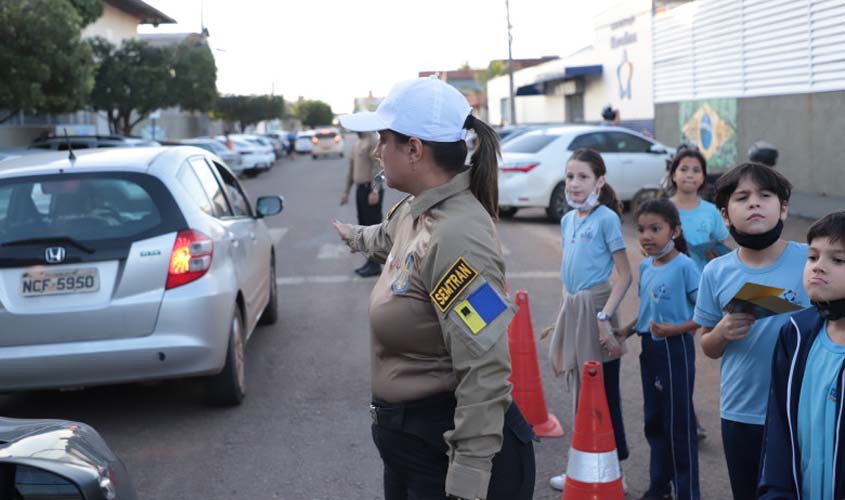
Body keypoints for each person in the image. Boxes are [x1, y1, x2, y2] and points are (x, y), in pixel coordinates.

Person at [332, 76, 535, 500]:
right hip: (413, 451)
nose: (376, 150)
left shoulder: (458, 236)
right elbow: (389, 239)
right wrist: (353, 236)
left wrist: (468, 480)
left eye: (383, 139)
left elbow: (485, 366)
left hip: (443, 458)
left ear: (414, 149)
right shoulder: (418, 210)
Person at [694, 163, 810, 500]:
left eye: (765, 195)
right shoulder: (716, 271)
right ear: (725, 215)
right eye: (742, 197)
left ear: (783, 207)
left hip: (801, 410)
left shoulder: (811, 261)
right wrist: (721, 331)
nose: (754, 203)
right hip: (741, 412)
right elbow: (708, 346)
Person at [546, 148, 633, 491]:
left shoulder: (606, 219)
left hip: (598, 309)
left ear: (600, 181)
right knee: (579, 392)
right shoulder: (568, 220)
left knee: (603, 392)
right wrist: (563, 312)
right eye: (570, 176)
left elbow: (625, 276)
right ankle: (582, 468)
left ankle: (615, 471)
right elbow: (568, 273)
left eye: (583, 176)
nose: (574, 183)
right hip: (574, 308)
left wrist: (604, 316)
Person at [615, 199, 701, 500]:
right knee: (653, 420)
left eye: (655, 229)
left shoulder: (685, 266)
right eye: (641, 230)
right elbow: (648, 311)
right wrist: (627, 330)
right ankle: (659, 487)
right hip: (649, 349)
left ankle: (687, 492)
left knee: (678, 424)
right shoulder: (645, 266)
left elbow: (705, 314)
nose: (647, 236)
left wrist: (674, 330)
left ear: (674, 230)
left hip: (675, 350)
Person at [759, 211, 845, 500]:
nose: (818, 267)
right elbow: (778, 428)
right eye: (813, 257)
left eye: (838, 260)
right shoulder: (795, 334)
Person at [668, 145, 731, 271]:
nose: (689, 175)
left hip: (702, 278)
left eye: (696, 170)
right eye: (684, 169)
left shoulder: (712, 211)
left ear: (703, 178)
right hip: (670, 277)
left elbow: (721, 244)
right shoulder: (661, 210)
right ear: (674, 175)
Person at [340, 131, 384, 277]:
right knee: (363, 226)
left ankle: (375, 264)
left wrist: (375, 190)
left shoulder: (372, 141)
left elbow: (378, 168)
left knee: (372, 227)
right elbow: (351, 169)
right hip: (360, 190)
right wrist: (346, 191)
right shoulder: (357, 143)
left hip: (370, 190)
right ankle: (369, 262)